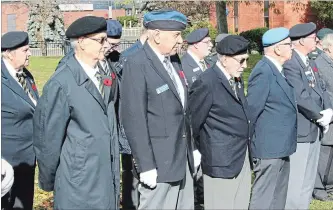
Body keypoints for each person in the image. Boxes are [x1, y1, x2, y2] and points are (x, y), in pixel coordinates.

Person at [33, 16, 120, 209]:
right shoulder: (61, 83)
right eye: (100, 40)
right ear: (81, 42)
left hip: (105, 176)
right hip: (79, 185)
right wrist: (50, 181)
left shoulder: (104, 75)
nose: (106, 45)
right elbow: (48, 138)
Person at [121, 10, 199, 209]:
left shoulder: (174, 61)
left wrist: (193, 148)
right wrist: (145, 165)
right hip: (158, 164)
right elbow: (134, 119)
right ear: (156, 35)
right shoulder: (137, 64)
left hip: (182, 159)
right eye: (176, 35)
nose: (181, 40)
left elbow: (183, 109)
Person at [189, 35, 252, 209]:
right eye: (241, 61)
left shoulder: (235, 78)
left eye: (246, 60)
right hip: (220, 160)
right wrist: (194, 150)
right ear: (224, 60)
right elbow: (193, 122)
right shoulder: (207, 82)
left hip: (241, 156)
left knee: (240, 204)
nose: (245, 66)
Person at [284, 22, 333, 209]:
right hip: (302, 128)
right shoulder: (291, 63)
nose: (316, 40)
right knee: (298, 179)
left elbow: (321, 89)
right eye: (313, 38)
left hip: (315, 127)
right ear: (302, 41)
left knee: (307, 180)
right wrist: (320, 115)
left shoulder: (309, 61)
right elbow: (300, 96)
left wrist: (329, 110)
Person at [247, 27, 297, 209]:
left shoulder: (277, 69)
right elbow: (252, 111)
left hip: (281, 146)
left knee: (278, 196)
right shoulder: (263, 71)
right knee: (264, 197)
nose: (292, 48)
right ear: (277, 49)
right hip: (268, 148)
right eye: (288, 45)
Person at [1, 31, 37, 210]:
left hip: (27, 160)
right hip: (6, 163)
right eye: (25, 50)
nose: (29, 53)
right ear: (8, 53)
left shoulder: (25, 75)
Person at [313, 33, 333, 201]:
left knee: (330, 154)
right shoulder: (321, 64)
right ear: (330, 47)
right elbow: (324, 92)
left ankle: (329, 185)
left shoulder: (330, 62)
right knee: (324, 153)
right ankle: (319, 187)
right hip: (327, 114)